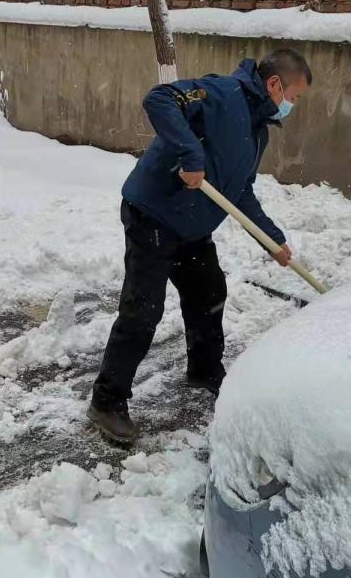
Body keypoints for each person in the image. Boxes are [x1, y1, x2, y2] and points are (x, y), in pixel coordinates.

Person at [88, 48, 312, 444]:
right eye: (294, 96)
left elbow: (240, 191)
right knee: (143, 311)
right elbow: (160, 99)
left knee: (209, 291)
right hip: (154, 215)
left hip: (192, 226)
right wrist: (190, 153)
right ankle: (107, 402)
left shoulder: (258, 131)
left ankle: (205, 370)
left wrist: (271, 239)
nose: (292, 105)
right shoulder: (222, 93)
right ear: (275, 84)